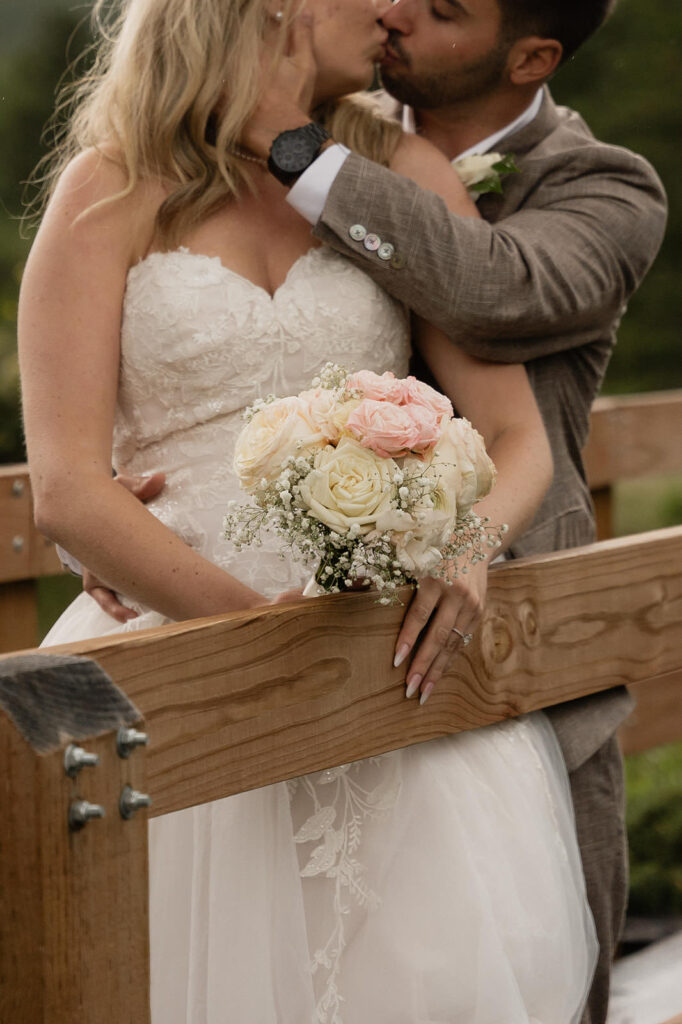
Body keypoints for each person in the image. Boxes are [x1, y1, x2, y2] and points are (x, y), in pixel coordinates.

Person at [20, 0, 598, 1020]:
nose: (388, 8)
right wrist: (263, 638)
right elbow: (67, 484)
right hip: (183, 657)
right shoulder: (107, 188)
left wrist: (464, 547)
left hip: (385, 666)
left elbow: (520, 442)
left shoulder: (393, 177)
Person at [226, 1, 667, 1020]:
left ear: (532, 56)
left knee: (545, 976)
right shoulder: (330, 119)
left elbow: (493, 291)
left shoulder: (606, 186)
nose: (395, 11)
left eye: (442, 10)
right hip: (306, 638)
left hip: (519, 642)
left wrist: (293, 148)